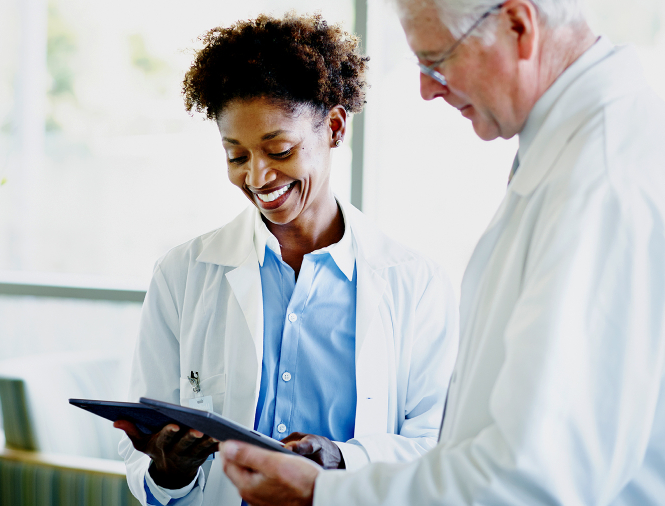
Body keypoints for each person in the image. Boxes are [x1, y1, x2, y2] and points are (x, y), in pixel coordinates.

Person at [218, 0, 665, 504]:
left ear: (517, 26)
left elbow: (533, 480)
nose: (426, 88)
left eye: (437, 60)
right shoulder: (574, 155)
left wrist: (324, 493)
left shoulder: (606, 181)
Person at [115, 13, 459, 506]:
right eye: (236, 156)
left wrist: (341, 457)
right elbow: (143, 465)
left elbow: (437, 445)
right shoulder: (182, 274)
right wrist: (168, 472)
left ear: (335, 127)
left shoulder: (414, 282)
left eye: (279, 149)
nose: (257, 177)